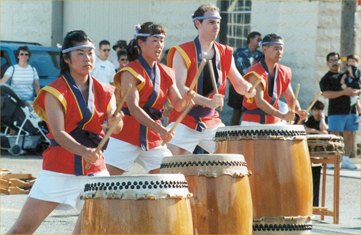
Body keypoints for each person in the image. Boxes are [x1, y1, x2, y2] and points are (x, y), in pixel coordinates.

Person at [5, 30, 123, 234]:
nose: (87, 58)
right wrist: (84, 151)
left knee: (90, 228)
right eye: (80, 53)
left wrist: (116, 122)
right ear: (66, 58)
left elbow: (116, 127)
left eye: (90, 52)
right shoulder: (54, 91)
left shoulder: (105, 89)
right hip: (59, 166)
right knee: (22, 229)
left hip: (95, 168)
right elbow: (58, 133)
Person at [104, 22, 195, 175]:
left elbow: (178, 106)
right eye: (154, 40)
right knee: (103, 183)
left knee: (169, 178)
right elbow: (133, 108)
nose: (159, 45)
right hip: (126, 134)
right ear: (141, 43)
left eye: (162, 41)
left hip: (152, 137)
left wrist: (187, 98)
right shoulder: (129, 71)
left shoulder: (166, 72)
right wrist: (160, 129)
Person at [165, 4, 256, 155]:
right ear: (197, 23)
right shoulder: (182, 52)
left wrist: (248, 89)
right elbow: (180, 88)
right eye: (211, 22)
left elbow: (239, 84)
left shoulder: (225, 52)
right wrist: (208, 102)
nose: (216, 26)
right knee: (171, 165)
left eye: (218, 22)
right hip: (184, 119)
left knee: (232, 159)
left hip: (211, 120)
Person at [241, 33, 308, 125]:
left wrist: (299, 111)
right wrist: (283, 116)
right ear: (264, 49)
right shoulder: (255, 72)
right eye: (276, 49)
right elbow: (259, 101)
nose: (279, 52)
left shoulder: (283, 71)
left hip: (274, 120)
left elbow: (291, 98)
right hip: (253, 122)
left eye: (281, 49)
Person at [319, 52, 358, 170]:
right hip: (336, 111)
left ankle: (345, 159)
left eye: (336, 60)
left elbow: (357, 86)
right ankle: (331, 159)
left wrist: (355, 92)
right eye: (332, 60)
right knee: (334, 135)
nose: (335, 62)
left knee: (349, 135)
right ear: (327, 63)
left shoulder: (348, 74)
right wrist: (343, 92)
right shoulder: (326, 78)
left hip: (351, 111)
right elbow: (326, 94)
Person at [228, 31, 263, 125]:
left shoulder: (260, 55)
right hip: (238, 84)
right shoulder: (239, 52)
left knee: (249, 111)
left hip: (252, 87)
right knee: (237, 111)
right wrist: (230, 82)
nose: (260, 42)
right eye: (258, 40)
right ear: (251, 40)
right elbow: (230, 66)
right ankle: (232, 134)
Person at [340, 54, 361, 124]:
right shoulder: (348, 70)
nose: (351, 63)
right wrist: (342, 79)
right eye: (349, 61)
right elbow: (345, 75)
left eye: (353, 61)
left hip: (355, 86)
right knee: (354, 101)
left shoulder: (356, 70)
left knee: (357, 102)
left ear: (357, 62)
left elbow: (355, 77)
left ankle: (360, 114)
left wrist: (351, 71)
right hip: (350, 86)